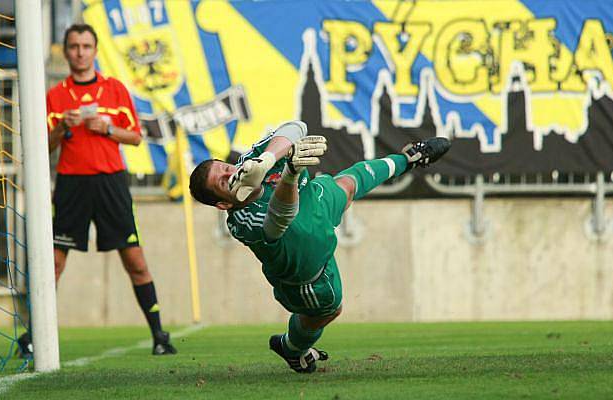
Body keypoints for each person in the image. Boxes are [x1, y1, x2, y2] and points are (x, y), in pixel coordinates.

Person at [188, 120, 450, 372]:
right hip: (306, 272)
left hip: (314, 204)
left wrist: (266, 159)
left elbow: (296, 127)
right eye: (223, 183)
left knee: (349, 183)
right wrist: (289, 173)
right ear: (223, 204)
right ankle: (291, 346)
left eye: (225, 168)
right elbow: (280, 219)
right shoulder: (242, 221)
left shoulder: (251, 161)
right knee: (331, 309)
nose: (231, 174)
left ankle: (409, 158)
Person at [18, 23, 176, 358]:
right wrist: (62, 126)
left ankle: (159, 336)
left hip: (110, 182)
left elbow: (135, 137)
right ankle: (32, 336)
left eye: (86, 46)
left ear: (95, 50)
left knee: (134, 260)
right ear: (66, 50)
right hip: (72, 184)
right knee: (54, 264)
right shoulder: (56, 96)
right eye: (74, 46)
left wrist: (107, 128)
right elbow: (41, 147)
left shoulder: (115, 90)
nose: (80, 52)